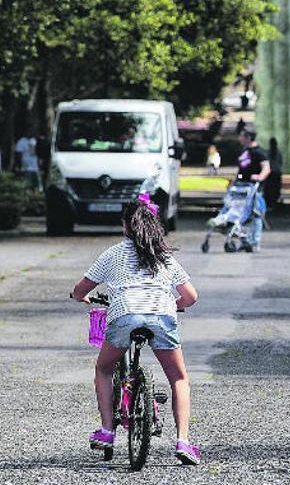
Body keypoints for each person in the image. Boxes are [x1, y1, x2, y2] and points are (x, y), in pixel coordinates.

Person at [71, 195, 201, 465]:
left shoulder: (113, 253)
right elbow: (190, 296)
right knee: (178, 378)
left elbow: (81, 289)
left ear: (125, 227)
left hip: (124, 314)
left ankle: (107, 432)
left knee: (104, 369)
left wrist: (79, 296)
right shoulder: (163, 256)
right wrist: (173, 306)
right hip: (162, 316)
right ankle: (184, 443)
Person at [237, 129, 271, 251]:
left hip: (254, 188)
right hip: (241, 187)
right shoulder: (244, 151)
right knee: (241, 214)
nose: (239, 138)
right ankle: (244, 240)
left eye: (241, 136)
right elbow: (241, 170)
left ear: (248, 138)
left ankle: (255, 241)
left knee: (255, 214)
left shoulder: (260, 152)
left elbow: (266, 168)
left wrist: (259, 177)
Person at [263, 137, 283, 208]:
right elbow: (281, 163)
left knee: (269, 188)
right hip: (277, 173)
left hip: (270, 173)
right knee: (276, 188)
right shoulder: (279, 152)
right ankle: (274, 202)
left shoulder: (267, 152)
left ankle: (269, 203)